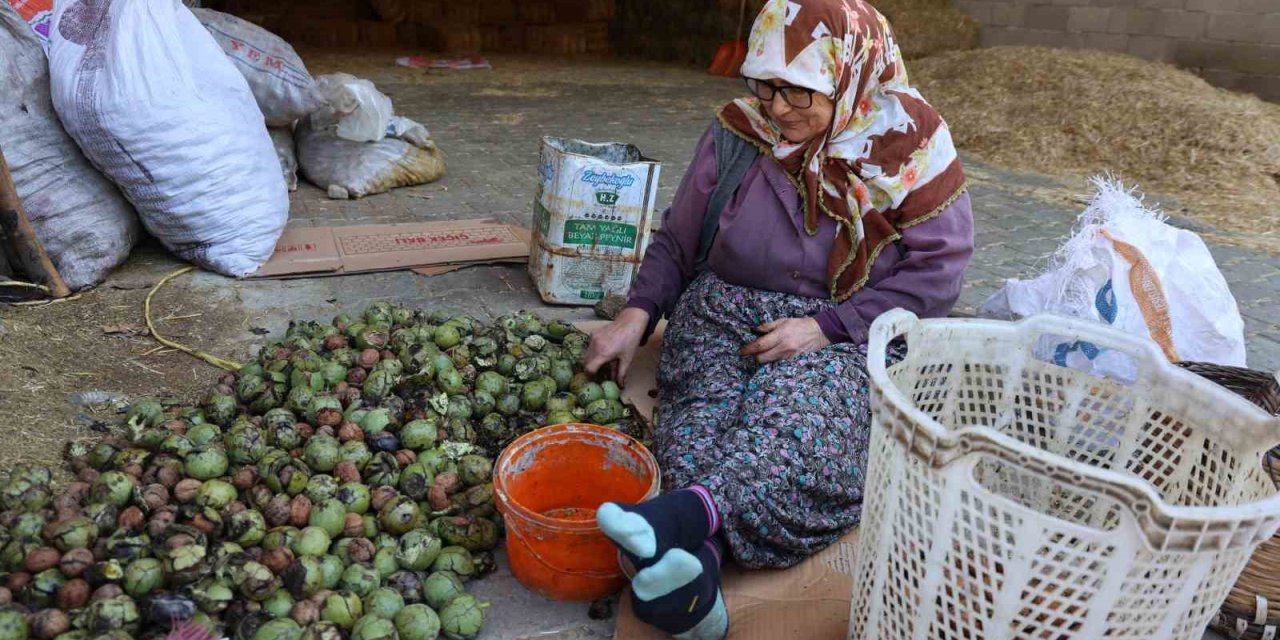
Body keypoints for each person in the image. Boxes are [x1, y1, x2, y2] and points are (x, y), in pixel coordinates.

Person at [584, 0, 974, 637]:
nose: (776, 107)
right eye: (764, 84)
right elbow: (680, 240)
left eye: (799, 90)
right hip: (724, 310)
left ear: (850, 74)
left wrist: (824, 329)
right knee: (699, 416)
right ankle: (697, 574)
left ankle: (684, 527)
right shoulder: (739, 133)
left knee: (801, 424)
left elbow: (939, 273)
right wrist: (637, 313)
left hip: (847, 325)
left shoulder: (908, 142)